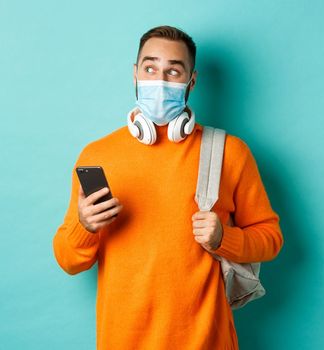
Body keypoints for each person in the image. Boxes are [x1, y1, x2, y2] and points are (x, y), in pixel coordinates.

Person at [52, 25, 284, 349]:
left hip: (207, 341)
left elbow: (271, 239)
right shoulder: (97, 155)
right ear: (135, 74)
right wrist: (85, 226)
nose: (159, 81)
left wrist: (223, 239)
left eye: (173, 71)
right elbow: (67, 259)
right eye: (150, 68)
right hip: (122, 341)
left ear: (192, 81)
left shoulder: (229, 152)